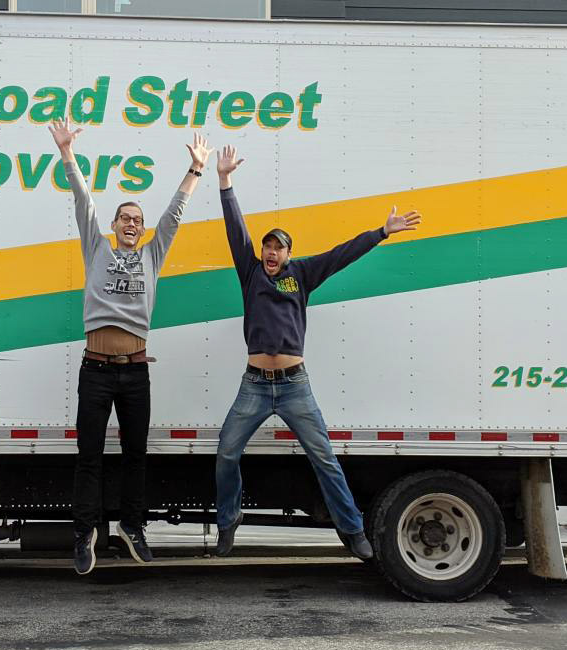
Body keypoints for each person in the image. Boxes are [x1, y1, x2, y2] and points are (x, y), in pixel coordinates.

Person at [211, 144, 421, 560]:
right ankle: (227, 521)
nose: (271, 252)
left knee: (324, 459)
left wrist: (381, 233)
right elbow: (236, 229)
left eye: (279, 248)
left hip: (294, 386)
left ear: (289, 254)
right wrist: (225, 181)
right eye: (267, 247)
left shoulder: (302, 275)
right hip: (254, 385)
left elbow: (341, 255)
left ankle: (353, 530)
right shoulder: (250, 272)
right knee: (226, 453)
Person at [49, 119, 211, 575]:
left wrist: (195, 170)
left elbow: (175, 215)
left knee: (136, 454)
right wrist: (67, 154)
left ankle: (132, 526)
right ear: (114, 224)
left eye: (138, 221)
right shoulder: (96, 249)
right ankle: (85, 534)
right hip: (96, 371)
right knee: (90, 456)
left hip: (135, 372)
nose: (132, 224)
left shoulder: (151, 255)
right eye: (125, 218)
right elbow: (83, 200)